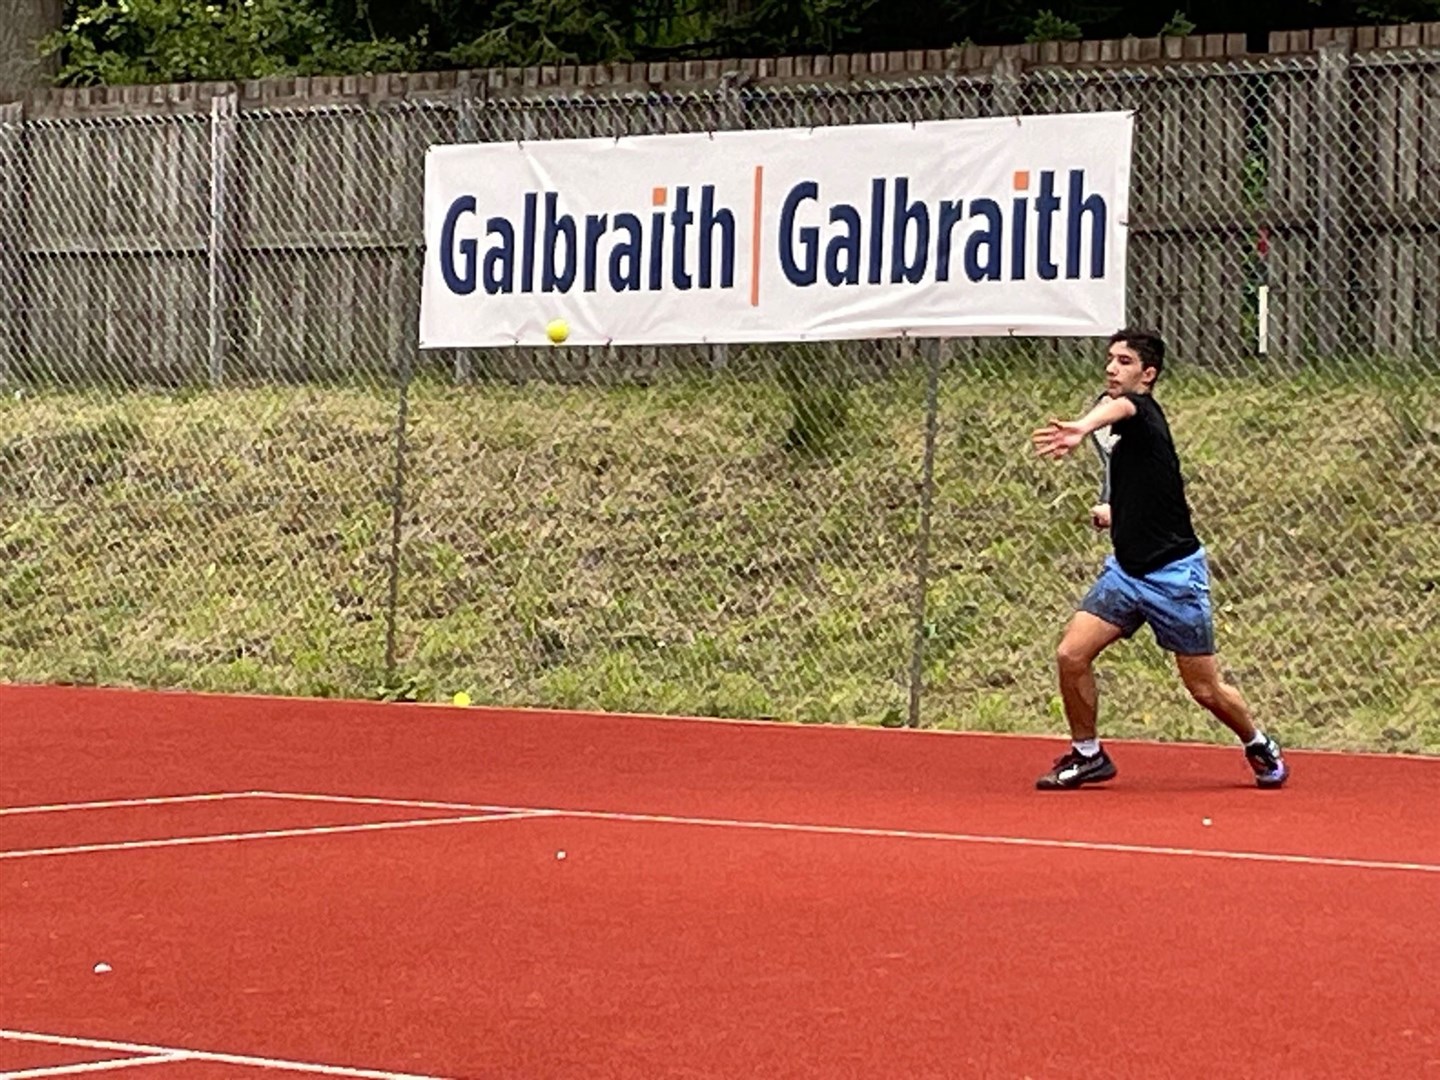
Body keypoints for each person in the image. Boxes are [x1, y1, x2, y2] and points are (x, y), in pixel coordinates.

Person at [1029, 329, 1288, 791]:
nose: (1112, 368)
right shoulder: (1129, 435)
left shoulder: (1141, 411)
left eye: (1124, 361)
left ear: (1147, 375)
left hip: (1174, 577)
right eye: (1110, 359)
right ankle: (1089, 755)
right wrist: (1116, 512)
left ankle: (1256, 741)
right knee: (1071, 654)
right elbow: (1145, 487)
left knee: (1205, 690)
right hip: (1126, 572)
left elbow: (1123, 408)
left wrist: (1081, 426)